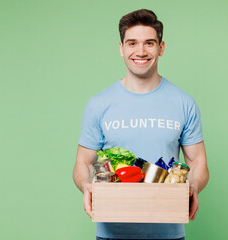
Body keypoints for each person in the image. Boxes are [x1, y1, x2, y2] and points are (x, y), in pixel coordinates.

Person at [73, 9, 209, 240]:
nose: (141, 51)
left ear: (161, 47)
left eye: (149, 43)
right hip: (111, 233)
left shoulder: (184, 103)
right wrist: (87, 186)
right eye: (132, 43)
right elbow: (83, 163)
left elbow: (198, 162)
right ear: (121, 48)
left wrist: (193, 186)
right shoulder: (99, 104)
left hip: (168, 233)